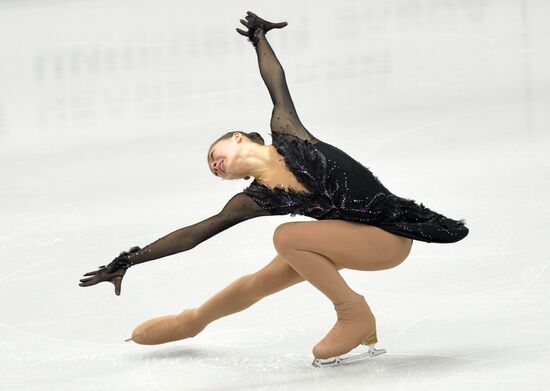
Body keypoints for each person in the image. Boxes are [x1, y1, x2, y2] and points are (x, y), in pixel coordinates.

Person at [79, 11, 469, 367]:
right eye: (214, 171)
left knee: (287, 236)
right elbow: (195, 235)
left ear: (237, 138)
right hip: (350, 238)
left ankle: (353, 312)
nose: (215, 165)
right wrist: (128, 260)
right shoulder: (256, 198)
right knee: (262, 280)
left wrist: (259, 37)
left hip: (389, 237)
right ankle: (192, 322)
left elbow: (275, 80)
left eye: (215, 154)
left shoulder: (289, 133)